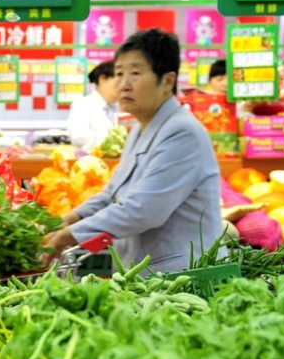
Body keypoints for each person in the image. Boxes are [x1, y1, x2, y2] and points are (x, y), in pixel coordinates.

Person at [44, 29, 225, 273]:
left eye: (135, 74)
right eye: (119, 74)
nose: (124, 84)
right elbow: (111, 195)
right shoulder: (140, 129)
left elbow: (144, 210)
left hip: (185, 277)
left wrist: (69, 236)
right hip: (147, 274)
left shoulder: (182, 132)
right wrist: (70, 219)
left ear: (168, 81)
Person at [66, 60, 119, 152]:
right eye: (117, 84)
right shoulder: (82, 104)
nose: (121, 88)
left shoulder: (121, 107)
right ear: (102, 79)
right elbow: (77, 137)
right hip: (90, 162)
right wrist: (113, 138)